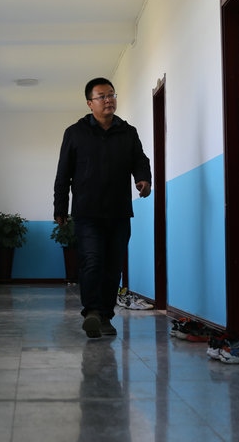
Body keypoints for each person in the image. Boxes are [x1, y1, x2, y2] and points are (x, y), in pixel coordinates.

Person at [53, 77, 152, 338]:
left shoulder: (128, 132)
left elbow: (140, 160)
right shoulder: (75, 133)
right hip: (87, 212)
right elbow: (63, 173)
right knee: (92, 261)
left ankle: (105, 316)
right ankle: (92, 312)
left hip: (119, 211)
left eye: (111, 95)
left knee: (113, 266)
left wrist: (144, 179)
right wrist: (60, 207)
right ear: (90, 103)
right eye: (102, 96)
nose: (108, 100)